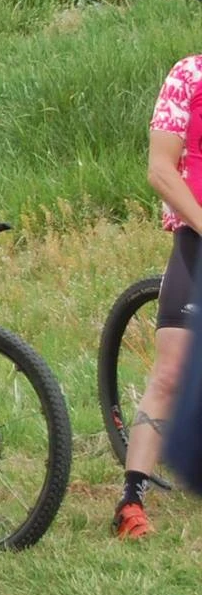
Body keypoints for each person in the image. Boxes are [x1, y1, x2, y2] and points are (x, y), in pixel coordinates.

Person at [116, 45, 202, 535]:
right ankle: (131, 499)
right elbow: (161, 170)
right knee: (171, 372)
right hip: (197, 235)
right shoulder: (189, 74)